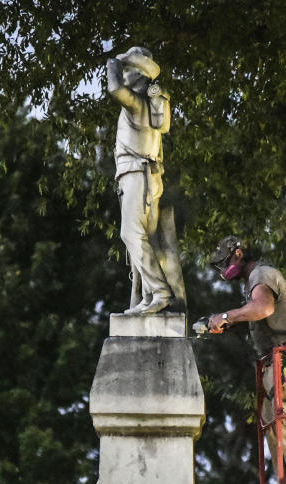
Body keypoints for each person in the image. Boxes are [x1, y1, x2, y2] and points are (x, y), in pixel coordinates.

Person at [206, 236, 286, 484]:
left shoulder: (262, 275)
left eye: (224, 263)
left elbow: (264, 308)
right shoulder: (256, 279)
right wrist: (230, 323)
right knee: (272, 421)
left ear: (238, 254)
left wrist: (226, 315)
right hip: (280, 365)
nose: (223, 272)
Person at [106, 46, 174, 314]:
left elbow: (113, 89)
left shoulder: (136, 103)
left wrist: (113, 62)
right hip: (139, 176)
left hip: (138, 175)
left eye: (127, 72)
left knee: (131, 234)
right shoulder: (145, 105)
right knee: (141, 238)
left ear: (137, 77)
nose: (123, 76)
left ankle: (159, 292)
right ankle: (147, 297)